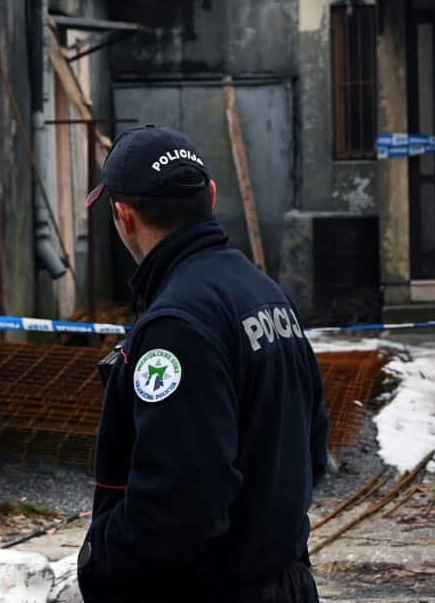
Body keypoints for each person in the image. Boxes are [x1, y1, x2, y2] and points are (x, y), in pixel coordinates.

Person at [78, 124, 329, 602]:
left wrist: (102, 561)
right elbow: (311, 446)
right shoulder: (264, 292)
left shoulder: (176, 325)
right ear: (211, 195)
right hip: (284, 581)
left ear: (124, 217)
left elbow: (180, 503)